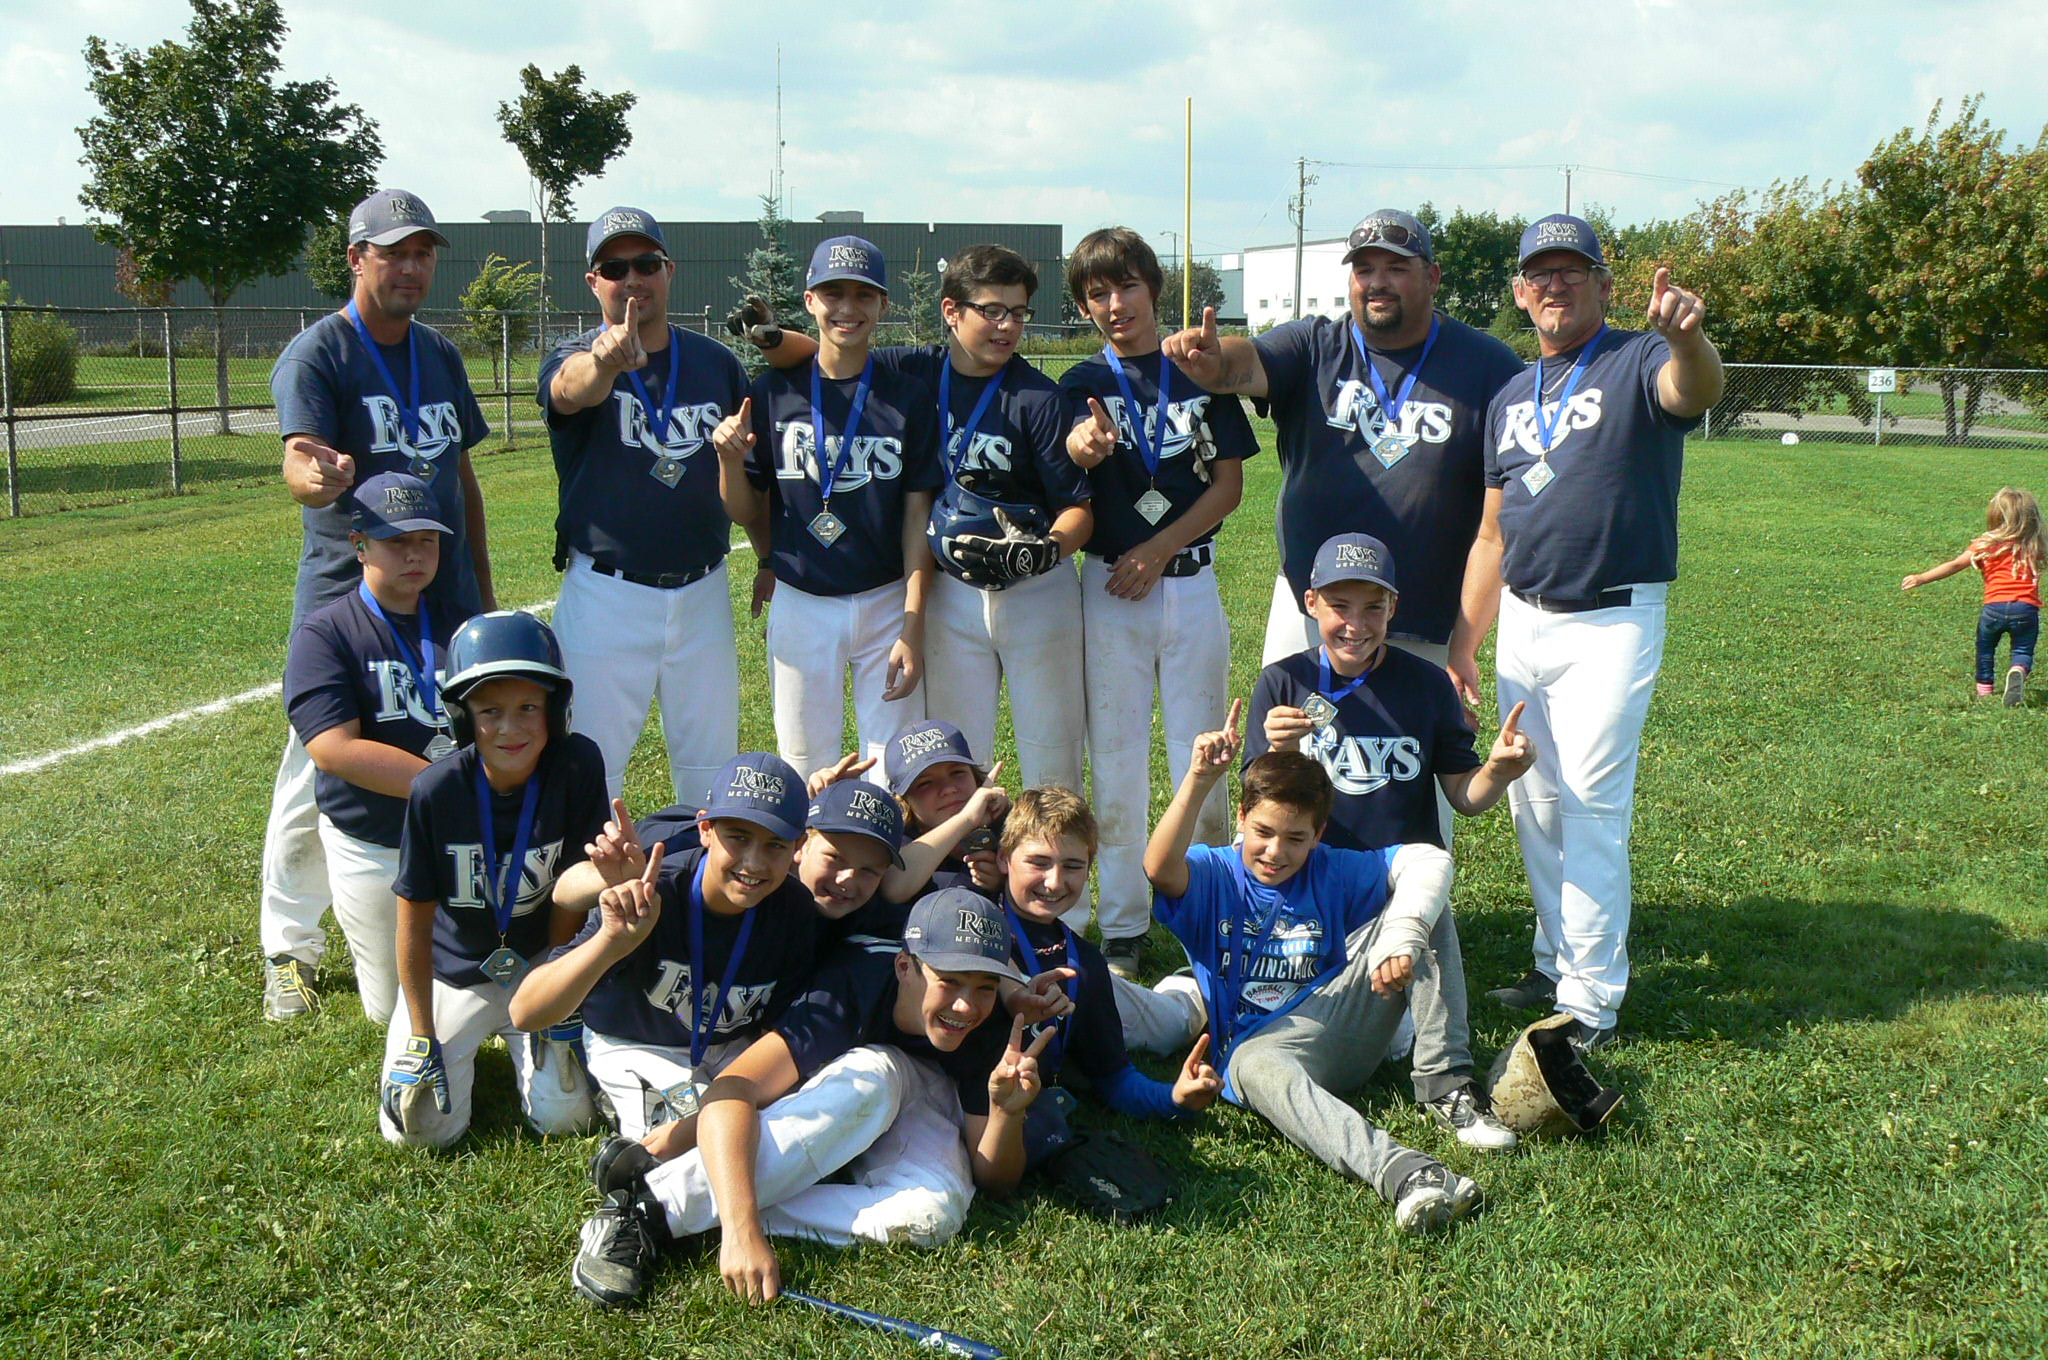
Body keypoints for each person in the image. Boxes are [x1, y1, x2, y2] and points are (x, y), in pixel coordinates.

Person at [1477, 214, 1724, 1050]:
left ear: (1603, 284)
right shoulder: (1511, 394)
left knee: (1588, 808)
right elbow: (1491, 531)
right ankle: (1554, 960)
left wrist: (1688, 340)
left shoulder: (1638, 356)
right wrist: (1462, 639)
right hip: (1524, 617)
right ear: (1519, 291)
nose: (1554, 285)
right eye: (1539, 273)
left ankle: (1590, 1001)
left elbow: (1693, 392)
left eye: (1571, 270)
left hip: (1611, 615)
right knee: (1535, 804)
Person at [568, 887, 1050, 1308]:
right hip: (856, 1084)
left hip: (925, 1092)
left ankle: (700, 1205)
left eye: (984, 987)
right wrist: (728, 1213)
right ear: (906, 967)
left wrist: (1008, 1113)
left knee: (932, 1216)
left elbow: (996, 1183)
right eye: (948, 982)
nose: (966, 1005)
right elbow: (733, 1089)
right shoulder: (847, 989)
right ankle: (647, 1211)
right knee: (875, 1076)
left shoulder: (990, 1028)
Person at [738, 245, 1094, 790]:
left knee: (1052, 756)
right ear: (952, 312)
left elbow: (1079, 511)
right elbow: (836, 347)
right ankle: (960, 867)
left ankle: (1052, 869)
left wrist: (1043, 549)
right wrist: (773, 339)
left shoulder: (1037, 396)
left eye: (1018, 313)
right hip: (948, 587)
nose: (1007, 326)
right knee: (949, 758)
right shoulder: (916, 370)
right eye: (992, 310)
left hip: (1032, 588)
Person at [262, 189, 495, 1021]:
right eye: (392, 252)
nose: (410, 267)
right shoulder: (319, 354)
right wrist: (312, 476)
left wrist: (484, 592)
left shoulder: (437, 353)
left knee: (441, 740)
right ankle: (288, 948)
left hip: (443, 588)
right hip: (348, 593)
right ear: (355, 258)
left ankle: (462, 915)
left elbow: (460, 477)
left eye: (422, 252)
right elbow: (298, 457)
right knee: (317, 770)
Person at [1161, 209, 1525, 707]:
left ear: (1433, 277)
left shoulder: (1488, 364)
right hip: (1316, 606)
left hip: (1427, 615)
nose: (1377, 283)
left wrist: (1469, 635)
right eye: (1364, 269)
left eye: (1396, 268)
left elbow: (1505, 506)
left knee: (1415, 769)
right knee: (1294, 761)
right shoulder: (1314, 344)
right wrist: (1213, 361)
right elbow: (1245, 364)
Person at [1143, 709, 1484, 1234]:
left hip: (1338, 1019)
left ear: (1319, 834)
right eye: (1263, 832)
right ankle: (1405, 1170)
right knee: (1252, 1068)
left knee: (1425, 905)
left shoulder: (1332, 867)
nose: (1276, 851)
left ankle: (1444, 1077)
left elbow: (1427, 860)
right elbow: (1159, 868)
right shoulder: (1217, 871)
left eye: (1296, 839)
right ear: (1240, 818)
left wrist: (1401, 934)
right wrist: (1198, 778)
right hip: (1264, 1049)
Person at [1243, 531, 1532, 1149]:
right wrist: (1278, 751)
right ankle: (1400, 1031)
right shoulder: (1282, 683)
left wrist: (1500, 770)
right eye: (1340, 606)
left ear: (1393, 608)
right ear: (1311, 602)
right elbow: (1259, 820)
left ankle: (1446, 1081)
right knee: (1421, 901)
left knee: (1424, 898)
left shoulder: (1425, 685)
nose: (1355, 624)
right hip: (1313, 899)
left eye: (1372, 607)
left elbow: (1465, 797)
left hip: (1393, 888)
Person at [1058, 227, 1258, 976]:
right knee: (1115, 757)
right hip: (1112, 590)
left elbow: (1230, 485)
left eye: (1127, 287)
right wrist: (1081, 450)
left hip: (1185, 582)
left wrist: (1159, 547)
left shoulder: (1194, 369)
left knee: (1199, 752)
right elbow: (1067, 463)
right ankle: (1122, 922)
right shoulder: (1080, 378)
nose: (1115, 305)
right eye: (1097, 295)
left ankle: (1206, 908)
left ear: (1154, 287)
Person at [539, 207, 753, 804]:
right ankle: (581, 899)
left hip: (703, 589)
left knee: (712, 776)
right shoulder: (574, 354)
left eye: (646, 263)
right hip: (607, 593)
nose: (632, 278)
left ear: (668, 270)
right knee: (587, 772)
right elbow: (570, 391)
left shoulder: (714, 363)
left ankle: (697, 895)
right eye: (615, 267)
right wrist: (606, 361)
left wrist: (764, 559)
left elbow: (750, 473)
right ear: (593, 282)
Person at [713, 236, 943, 780]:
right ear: (810, 300)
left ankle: (887, 866)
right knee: (802, 760)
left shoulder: (906, 395)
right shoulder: (771, 391)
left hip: (886, 596)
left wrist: (912, 623)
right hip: (803, 598)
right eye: (833, 293)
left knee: (893, 766)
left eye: (864, 295)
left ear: (884, 306)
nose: (848, 308)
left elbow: (917, 519)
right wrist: (726, 462)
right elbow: (745, 509)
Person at [377, 612, 607, 1149]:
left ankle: (533, 1042)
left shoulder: (576, 764)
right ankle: (451, 1042)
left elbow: (572, 890)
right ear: (462, 718)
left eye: (529, 707)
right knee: (418, 1133)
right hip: (454, 973)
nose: (511, 728)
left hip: (535, 965)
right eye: (490, 711)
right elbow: (413, 918)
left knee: (569, 1119)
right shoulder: (436, 790)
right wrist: (420, 1030)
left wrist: (558, 983)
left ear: (555, 709)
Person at [511, 753, 824, 1146]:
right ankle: (586, 1059)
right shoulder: (655, 893)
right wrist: (611, 943)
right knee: (657, 1140)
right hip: (636, 1039)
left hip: (727, 1042)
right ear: (706, 828)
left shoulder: (794, 909)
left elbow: (776, 1024)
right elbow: (524, 1012)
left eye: (775, 845)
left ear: (798, 846)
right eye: (738, 837)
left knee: (784, 1125)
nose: (754, 862)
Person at [281, 472, 464, 1023]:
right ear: (358, 545)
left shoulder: (461, 623)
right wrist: (446, 787)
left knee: (477, 987)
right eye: (396, 541)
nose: (415, 555)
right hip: (375, 841)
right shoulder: (327, 633)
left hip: (461, 836)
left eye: (426, 541)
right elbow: (334, 749)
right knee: (395, 1012)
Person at [994, 786, 1221, 1168]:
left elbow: (1115, 1079)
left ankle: (1195, 988)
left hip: (1112, 992)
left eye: (1072, 866)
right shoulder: (967, 914)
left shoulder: (1082, 964)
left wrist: (1175, 1099)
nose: (1054, 882)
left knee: (1171, 1026)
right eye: (1038, 861)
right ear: (1003, 859)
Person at [1901, 486, 2042, 706]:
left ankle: (1985, 690)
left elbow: (1955, 564)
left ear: (1995, 515)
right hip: (2025, 609)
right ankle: (2018, 670)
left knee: (1986, 649)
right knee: (2022, 649)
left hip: (1993, 609)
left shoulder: (1985, 544)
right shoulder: (2034, 544)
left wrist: (1922, 578)